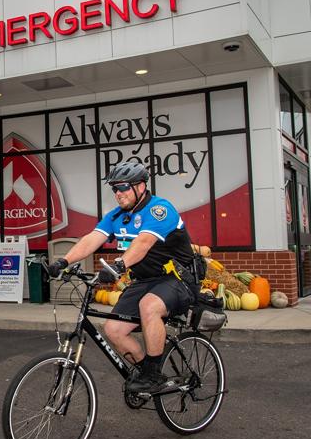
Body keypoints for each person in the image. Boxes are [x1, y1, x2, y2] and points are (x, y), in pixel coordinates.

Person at [47, 161, 198, 395]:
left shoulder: (160, 209)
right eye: (114, 189)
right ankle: (146, 374)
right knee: (114, 329)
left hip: (177, 278)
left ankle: (153, 375)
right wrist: (63, 262)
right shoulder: (117, 216)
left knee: (148, 306)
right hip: (146, 280)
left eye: (123, 187)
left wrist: (119, 264)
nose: (118, 194)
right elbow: (91, 239)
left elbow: (143, 243)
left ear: (140, 186)